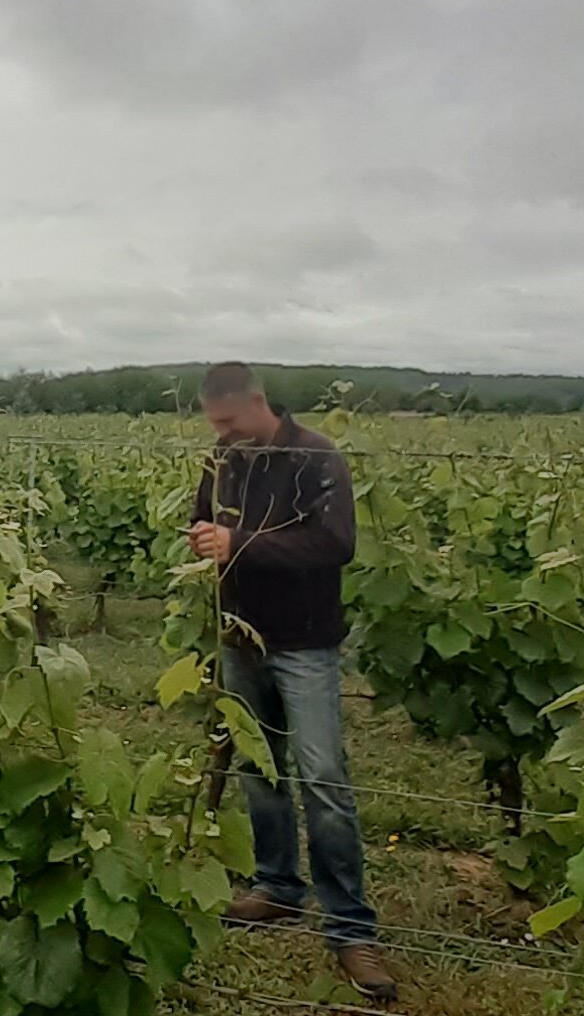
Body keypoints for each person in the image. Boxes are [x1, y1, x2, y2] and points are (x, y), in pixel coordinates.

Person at [186, 362, 396, 1002]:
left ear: (257, 402)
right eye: (214, 425)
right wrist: (201, 539)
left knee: (322, 777)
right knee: (260, 767)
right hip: (238, 636)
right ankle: (278, 886)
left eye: (228, 421)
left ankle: (351, 929)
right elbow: (204, 523)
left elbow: (335, 545)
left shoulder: (317, 458)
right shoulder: (223, 458)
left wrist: (238, 542)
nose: (221, 434)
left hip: (304, 644)